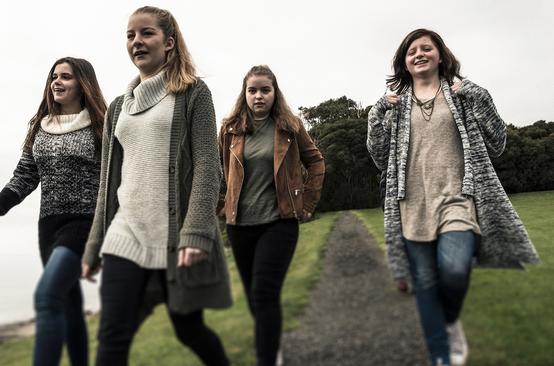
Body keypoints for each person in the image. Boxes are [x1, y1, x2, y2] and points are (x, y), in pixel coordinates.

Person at [367, 28, 540, 366]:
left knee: (455, 269)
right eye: (411, 50)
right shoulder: (396, 105)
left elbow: (498, 141)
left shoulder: (462, 95)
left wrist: (477, 94)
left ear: (440, 55)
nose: (419, 53)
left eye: (426, 48)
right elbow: (377, 153)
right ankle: (441, 357)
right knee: (426, 284)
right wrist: (376, 113)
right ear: (404, 62)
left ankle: (447, 321)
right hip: (411, 205)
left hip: (458, 200)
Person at [80, 6, 232, 366]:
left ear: (169, 42)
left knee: (188, 330)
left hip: (174, 238)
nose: (137, 41)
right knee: (112, 336)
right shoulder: (118, 108)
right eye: (130, 35)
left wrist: (195, 232)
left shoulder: (193, 94)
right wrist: (92, 248)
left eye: (146, 33)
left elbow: (209, 169)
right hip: (125, 235)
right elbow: (107, 184)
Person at [0, 57, 107, 366]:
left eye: (66, 77)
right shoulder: (40, 127)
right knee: (71, 306)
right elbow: (25, 176)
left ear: (83, 84)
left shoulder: (102, 124)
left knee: (47, 297)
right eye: (54, 77)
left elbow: (116, 175)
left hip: (85, 223)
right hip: (48, 227)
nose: (57, 82)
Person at [218, 65, 325, 366]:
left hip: (280, 223)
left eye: (265, 89)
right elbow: (218, 172)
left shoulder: (290, 127)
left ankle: (267, 358)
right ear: (245, 94)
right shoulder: (229, 129)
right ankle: (272, 344)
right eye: (252, 90)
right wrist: (220, 206)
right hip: (240, 226)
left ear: (275, 93)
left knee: (264, 292)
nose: (258, 96)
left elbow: (316, 162)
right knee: (256, 298)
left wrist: (307, 202)